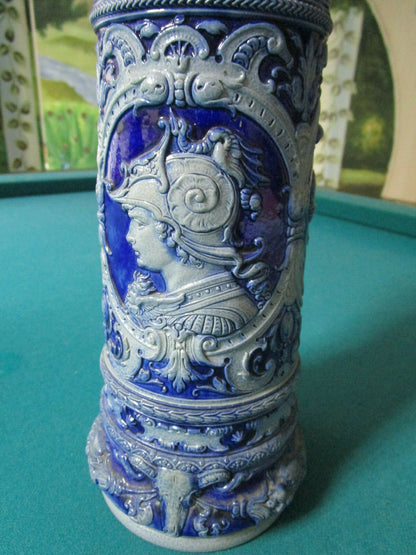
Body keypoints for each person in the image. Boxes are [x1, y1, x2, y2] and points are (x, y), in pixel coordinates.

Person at [109, 114, 270, 337]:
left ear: (175, 230)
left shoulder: (223, 317)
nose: (129, 236)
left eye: (140, 222)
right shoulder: (163, 304)